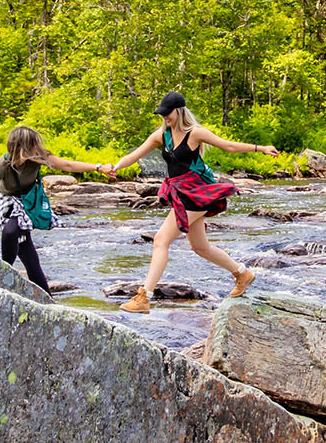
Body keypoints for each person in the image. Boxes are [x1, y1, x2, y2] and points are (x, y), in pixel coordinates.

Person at [111, 91, 278, 313]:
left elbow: (228, 146)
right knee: (200, 247)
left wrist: (261, 148)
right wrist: (115, 167)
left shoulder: (195, 133)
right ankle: (242, 273)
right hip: (180, 194)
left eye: (167, 114)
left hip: (198, 193)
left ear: (178, 112)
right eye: (162, 115)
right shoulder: (162, 136)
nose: (164, 118)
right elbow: (135, 155)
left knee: (161, 240)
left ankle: (144, 298)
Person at [0, 124, 103, 294]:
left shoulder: (38, 158)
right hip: (9, 203)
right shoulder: (3, 165)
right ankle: (4, 274)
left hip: (29, 202)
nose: (37, 148)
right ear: (22, 147)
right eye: (33, 144)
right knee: (14, 235)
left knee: (29, 256)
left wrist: (97, 167)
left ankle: (46, 300)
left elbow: (68, 165)